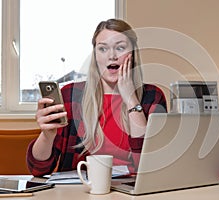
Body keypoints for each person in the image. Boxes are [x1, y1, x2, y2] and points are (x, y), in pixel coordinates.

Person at [27, 19, 167, 177]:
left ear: (133, 55)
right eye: (103, 49)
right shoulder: (70, 95)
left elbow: (149, 167)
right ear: (95, 55)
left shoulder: (153, 96)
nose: (112, 56)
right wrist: (47, 135)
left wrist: (131, 99)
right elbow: (38, 169)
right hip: (81, 191)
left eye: (120, 48)